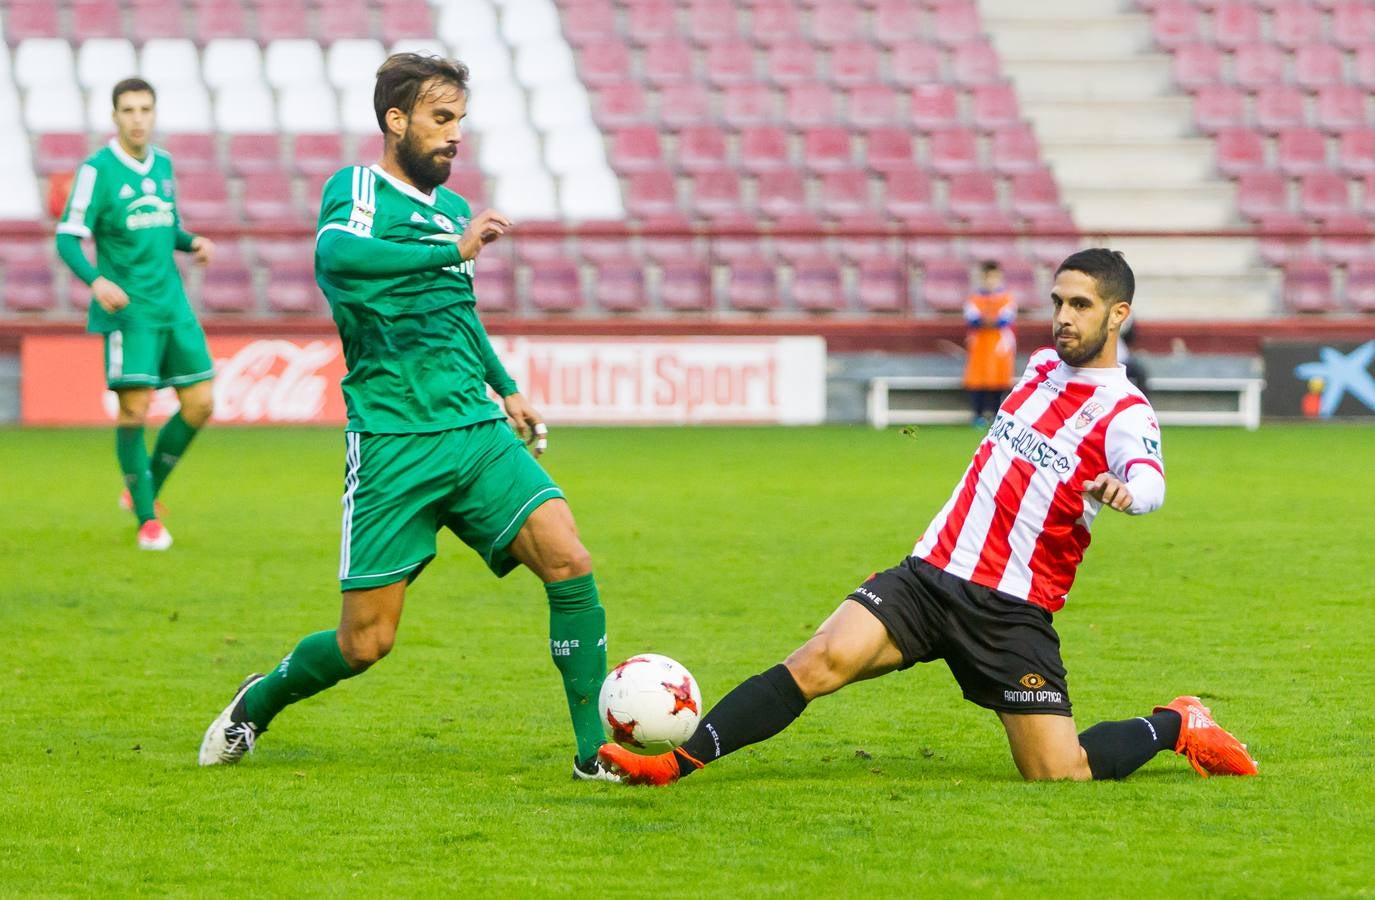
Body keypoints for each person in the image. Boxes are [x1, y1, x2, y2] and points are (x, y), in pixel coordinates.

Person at [600, 249, 1258, 786]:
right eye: (1057, 301)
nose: (1062, 317)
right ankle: (671, 765)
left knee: (1058, 774)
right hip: (928, 577)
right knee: (817, 661)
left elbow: (1149, 483)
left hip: (1009, 613)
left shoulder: (1126, 411)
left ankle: (1177, 723)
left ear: (1117, 315)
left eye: (1079, 305)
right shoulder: (1036, 368)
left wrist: (1125, 491)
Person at [198, 53, 616, 781]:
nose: (455, 136)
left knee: (568, 559)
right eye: (440, 119)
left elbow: (456, 312)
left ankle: (593, 755)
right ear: (396, 121)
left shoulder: (453, 211)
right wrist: (449, 250)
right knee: (365, 643)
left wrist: (505, 386)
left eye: (460, 121)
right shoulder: (358, 189)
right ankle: (258, 700)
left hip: (473, 430)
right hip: (394, 441)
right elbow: (336, 257)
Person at [55, 77, 217, 551]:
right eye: (128, 110)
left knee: (201, 404)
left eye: (145, 109)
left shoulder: (163, 164)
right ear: (115, 117)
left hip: (173, 304)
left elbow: (166, 226)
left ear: (154, 113)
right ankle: (148, 520)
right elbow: (67, 237)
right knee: (135, 409)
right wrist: (96, 280)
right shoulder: (96, 170)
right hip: (131, 312)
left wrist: (193, 243)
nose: (138, 118)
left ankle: (142, 489)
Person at [963, 260, 1016, 427]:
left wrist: (988, 321)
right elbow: (972, 319)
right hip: (980, 344)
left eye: (994, 277)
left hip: (999, 345)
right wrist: (988, 321)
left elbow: (1005, 319)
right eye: (987, 277)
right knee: (977, 379)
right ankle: (978, 415)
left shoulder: (1006, 298)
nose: (990, 281)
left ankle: (995, 414)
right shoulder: (974, 298)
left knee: (998, 380)